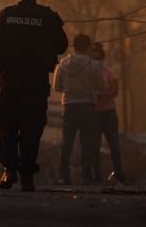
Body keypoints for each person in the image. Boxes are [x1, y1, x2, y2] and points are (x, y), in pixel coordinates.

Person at [0, 0, 68, 191]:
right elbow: (62, 45)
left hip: (10, 84)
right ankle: (27, 175)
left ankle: (8, 170)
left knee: (8, 129)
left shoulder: (7, 15)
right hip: (36, 85)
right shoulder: (48, 17)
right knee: (32, 130)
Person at [52, 33, 106, 185]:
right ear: (88, 47)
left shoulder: (63, 64)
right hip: (88, 106)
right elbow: (101, 86)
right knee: (87, 143)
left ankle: (63, 175)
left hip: (69, 106)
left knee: (66, 142)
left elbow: (57, 86)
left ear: (73, 47)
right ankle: (86, 175)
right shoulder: (93, 65)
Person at [90, 42, 126, 184]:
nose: (96, 61)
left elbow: (115, 91)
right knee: (95, 145)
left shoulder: (109, 73)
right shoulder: (88, 75)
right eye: (94, 58)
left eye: (98, 58)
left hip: (109, 113)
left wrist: (100, 95)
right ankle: (96, 175)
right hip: (94, 114)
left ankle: (118, 172)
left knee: (114, 145)